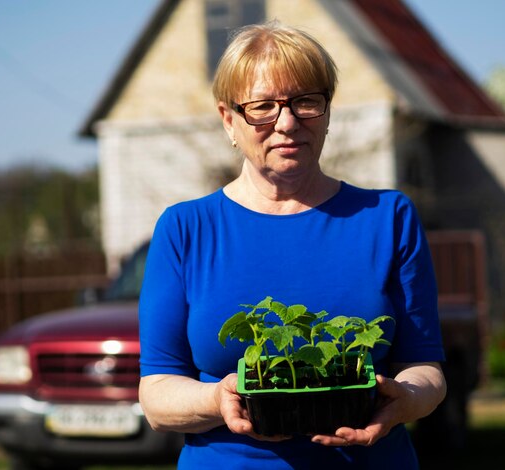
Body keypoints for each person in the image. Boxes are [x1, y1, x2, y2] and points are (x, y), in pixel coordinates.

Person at [138, 20, 446, 469]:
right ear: (229, 119)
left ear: (326, 112)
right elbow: (156, 393)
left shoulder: (386, 218)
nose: (287, 122)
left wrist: (406, 398)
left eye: (306, 102)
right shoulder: (186, 229)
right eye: (262, 106)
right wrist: (216, 398)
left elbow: (426, 368)